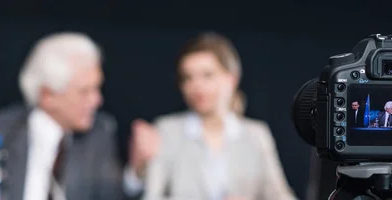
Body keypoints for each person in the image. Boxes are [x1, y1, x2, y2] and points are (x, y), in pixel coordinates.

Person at [123, 32, 296, 200]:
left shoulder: (256, 135)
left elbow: (281, 195)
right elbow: (152, 196)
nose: (196, 86)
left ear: (231, 78)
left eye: (208, 75)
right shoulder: (166, 130)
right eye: (188, 78)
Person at [0, 32, 124, 200]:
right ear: (47, 95)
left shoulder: (99, 134)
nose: (97, 101)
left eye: (96, 88)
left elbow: (112, 193)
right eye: (84, 92)